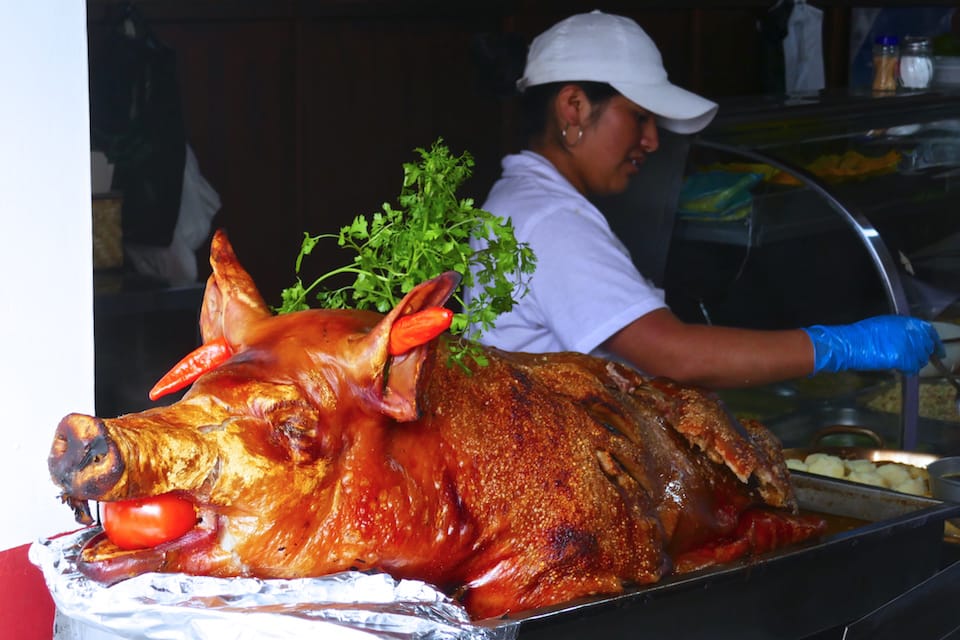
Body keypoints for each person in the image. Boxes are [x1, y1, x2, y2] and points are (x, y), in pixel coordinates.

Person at [465, 10, 941, 389]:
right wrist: (842, 346)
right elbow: (676, 356)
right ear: (575, 107)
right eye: (639, 117)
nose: (652, 141)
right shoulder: (550, 219)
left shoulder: (526, 201)